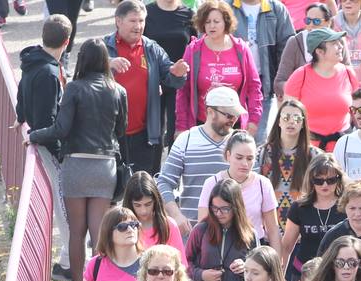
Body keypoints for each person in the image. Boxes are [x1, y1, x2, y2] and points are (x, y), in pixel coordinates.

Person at [28, 38, 130, 281]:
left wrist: (33, 134)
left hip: (76, 164)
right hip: (105, 165)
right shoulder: (118, 90)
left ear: (83, 59)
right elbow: (121, 130)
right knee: (99, 229)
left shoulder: (74, 88)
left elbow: (60, 129)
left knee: (77, 231)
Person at [17, 16, 75, 281]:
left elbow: (21, 92)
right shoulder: (50, 73)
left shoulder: (33, 63)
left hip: (40, 141)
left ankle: (67, 261)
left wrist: (20, 117)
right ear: (67, 41)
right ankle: (69, 265)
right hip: (49, 147)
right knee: (65, 207)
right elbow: (49, 119)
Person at [106, 1, 191, 176]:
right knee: (111, 192)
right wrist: (107, 63)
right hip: (109, 135)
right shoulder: (103, 47)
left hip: (143, 135)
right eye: (133, 21)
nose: (138, 26)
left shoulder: (151, 48)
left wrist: (176, 73)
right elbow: (83, 74)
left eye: (142, 21)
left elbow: (172, 78)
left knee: (141, 190)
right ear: (118, 21)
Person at [159, 87, 244, 231]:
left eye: (236, 116)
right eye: (229, 115)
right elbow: (164, 182)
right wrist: (176, 215)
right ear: (210, 112)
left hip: (233, 234)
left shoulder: (241, 142)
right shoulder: (186, 140)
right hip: (193, 233)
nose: (233, 120)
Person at [176, 0, 264, 135]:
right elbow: (183, 90)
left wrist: (254, 119)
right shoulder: (193, 50)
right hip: (202, 124)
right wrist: (181, 126)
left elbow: (254, 87)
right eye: (207, 21)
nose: (211, 25)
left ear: (226, 22)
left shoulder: (241, 49)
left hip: (235, 124)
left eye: (216, 21)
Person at [186, 178, 262, 281]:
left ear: (236, 207)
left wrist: (245, 267)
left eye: (225, 209)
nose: (218, 213)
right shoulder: (200, 230)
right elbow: (185, 263)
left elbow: (260, 268)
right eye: (214, 208)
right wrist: (201, 274)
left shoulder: (250, 234)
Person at [282, 27, 361, 150]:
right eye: (334, 43)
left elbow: (359, 111)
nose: (341, 46)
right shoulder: (300, 75)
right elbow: (287, 115)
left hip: (343, 147)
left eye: (340, 42)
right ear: (319, 51)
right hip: (308, 149)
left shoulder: (348, 73)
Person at [197, 131, 282, 243]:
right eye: (239, 158)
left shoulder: (263, 184)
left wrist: (276, 260)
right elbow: (202, 227)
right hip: (219, 246)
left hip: (254, 250)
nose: (245, 164)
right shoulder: (212, 183)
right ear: (228, 156)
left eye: (249, 158)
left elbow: (273, 230)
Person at [226, 0, 297, 134]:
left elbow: (287, 49)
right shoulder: (227, 6)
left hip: (263, 83)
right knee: (228, 136)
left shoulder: (276, 9)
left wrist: (281, 81)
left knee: (257, 137)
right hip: (230, 83)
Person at [279, 156, 348, 281]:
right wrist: (279, 279)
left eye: (331, 180)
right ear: (311, 180)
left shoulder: (347, 206)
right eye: (319, 180)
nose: (325, 185)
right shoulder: (299, 208)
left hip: (338, 275)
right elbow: (286, 247)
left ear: (339, 179)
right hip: (303, 276)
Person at [259, 98, 326, 228]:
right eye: (286, 117)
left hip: (303, 229)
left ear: (303, 123)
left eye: (296, 118)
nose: (291, 121)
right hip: (269, 229)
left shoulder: (316, 156)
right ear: (278, 121)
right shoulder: (262, 154)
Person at [146, 0, 199, 148]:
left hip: (180, 83)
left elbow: (195, 48)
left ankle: (173, 170)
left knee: (177, 135)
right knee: (153, 136)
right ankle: (152, 171)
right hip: (152, 82)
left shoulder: (189, 15)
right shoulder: (146, 12)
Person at [274, 5, 339, 97]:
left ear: (328, 22)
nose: (311, 25)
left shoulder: (339, 41)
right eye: (308, 21)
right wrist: (302, 88)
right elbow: (279, 82)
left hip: (333, 99)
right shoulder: (295, 42)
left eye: (316, 21)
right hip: (302, 104)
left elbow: (347, 74)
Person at [124, 172, 187, 253]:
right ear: (129, 203)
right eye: (137, 205)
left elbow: (180, 262)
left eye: (148, 204)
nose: (143, 211)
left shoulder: (169, 225)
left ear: (156, 201)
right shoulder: (120, 227)